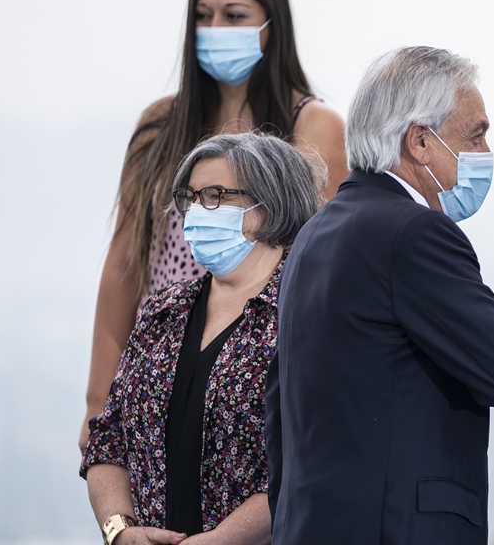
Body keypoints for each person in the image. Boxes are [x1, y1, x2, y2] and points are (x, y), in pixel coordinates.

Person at [265, 45, 494, 543]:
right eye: (476, 135)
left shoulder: (313, 236)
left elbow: (278, 406)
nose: (485, 155)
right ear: (421, 141)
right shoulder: (415, 234)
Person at [80, 0, 348, 451]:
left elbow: (327, 273)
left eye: (235, 16)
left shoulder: (315, 127)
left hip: (256, 383)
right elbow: (124, 265)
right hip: (154, 375)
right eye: (203, 17)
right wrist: (99, 405)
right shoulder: (160, 125)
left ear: (272, 25)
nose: (216, 29)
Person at [81, 132, 325, 545]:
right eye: (190, 197)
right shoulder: (163, 311)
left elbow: (310, 463)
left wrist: (220, 540)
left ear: (267, 207)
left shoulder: (308, 318)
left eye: (213, 195)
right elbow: (107, 439)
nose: (196, 210)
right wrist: (120, 530)